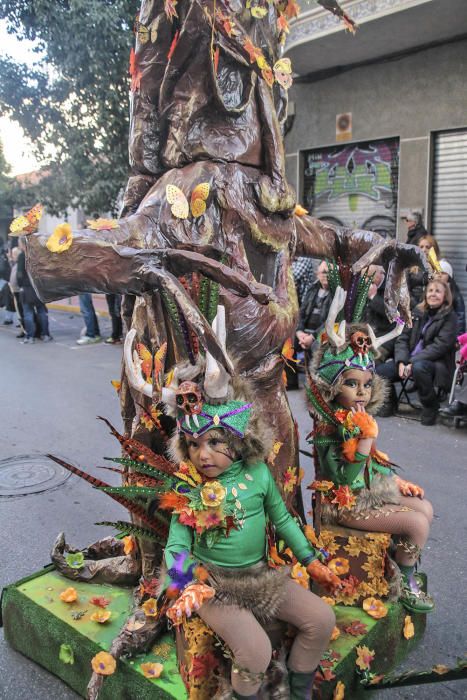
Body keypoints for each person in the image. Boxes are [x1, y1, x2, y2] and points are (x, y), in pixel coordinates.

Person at [161, 372, 339, 699]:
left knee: (321, 619)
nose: (203, 455)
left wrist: (310, 561)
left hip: (258, 574)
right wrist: (185, 583)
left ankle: (299, 694)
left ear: (239, 438)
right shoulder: (188, 486)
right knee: (254, 651)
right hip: (211, 583)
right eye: (194, 444)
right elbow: (175, 545)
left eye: (215, 442)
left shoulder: (257, 473)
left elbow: (283, 520)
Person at [307, 270, 434, 614]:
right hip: (346, 504)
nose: (361, 391)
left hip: (369, 492)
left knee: (424, 507)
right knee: (416, 522)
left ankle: (395, 561)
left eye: (366, 383)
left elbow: (373, 463)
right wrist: (365, 439)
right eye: (352, 383)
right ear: (334, 388)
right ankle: (404, 582)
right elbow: (345, 481)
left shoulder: (358, 417)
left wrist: (396, 481)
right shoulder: (329, 428)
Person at [377, 279, 458, 424]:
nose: (433, 294)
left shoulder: (450, 317)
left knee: (420, 368)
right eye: (430, 290)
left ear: (445, 296)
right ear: (425, 294)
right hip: (409, 360)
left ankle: (430, 405)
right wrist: (402, 361)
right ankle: (390, 403)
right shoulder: (416, 312)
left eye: (438, 291)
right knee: (380, 371)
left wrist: (411, 363)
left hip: (435, 364)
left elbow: (439, 347)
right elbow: (402, 338)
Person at [16, 240, 53, 344]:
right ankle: (45, 334)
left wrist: (20, 285)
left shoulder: (22, 256)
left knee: (28, 312)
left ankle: (30, 337)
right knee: (42, 311)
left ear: (23, 244)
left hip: (27, 287)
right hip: (39, 287)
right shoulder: (39, 254)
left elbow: (19, 273)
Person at [295, 261, 331, 356]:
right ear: (317, 274)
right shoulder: (312, 289)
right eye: (323, 272)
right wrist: (299, 332)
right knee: (287, 342)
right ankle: (291, 370)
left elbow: (331, 321)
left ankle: (314, 370)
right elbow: (301, 313)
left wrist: (313, 337)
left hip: (322, 333)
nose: (326, 275)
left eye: (329, 272)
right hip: (305, 332)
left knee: (317, 345)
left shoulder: (336, 293)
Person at [364, 265, 397, 362]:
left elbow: (396, 317)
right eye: (364, 276)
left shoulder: (393, 287)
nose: (365, 279)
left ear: (380, 274)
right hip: (366, 334)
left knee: (367, 360)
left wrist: (373, 296)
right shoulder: (364, 285)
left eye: (369, 276)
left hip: (386, 337)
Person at [407, 234, 441, 307]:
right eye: (421, 247)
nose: (424, 250)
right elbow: (405, 292)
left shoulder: (440, 268)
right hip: (413, 309)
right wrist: (417, 306)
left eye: (427, 247)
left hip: (432, 309)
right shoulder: (409, 268)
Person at [437, 259, 465, 335]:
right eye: (437, 272)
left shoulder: (455, 293)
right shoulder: (429, 291)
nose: (439, 275)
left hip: (449, 334)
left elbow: (460, 317)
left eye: (443, 273)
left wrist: (459, 337)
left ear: (449, 276)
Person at [8, 246, 25, 338]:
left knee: (22, 312)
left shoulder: (20, 264)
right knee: (20, 312)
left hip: (19, 292)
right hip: (16, 292)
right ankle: (23, 328)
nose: (13, 256)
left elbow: (18, 277)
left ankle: (24, 330)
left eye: (14, 254)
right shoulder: (16, 263)